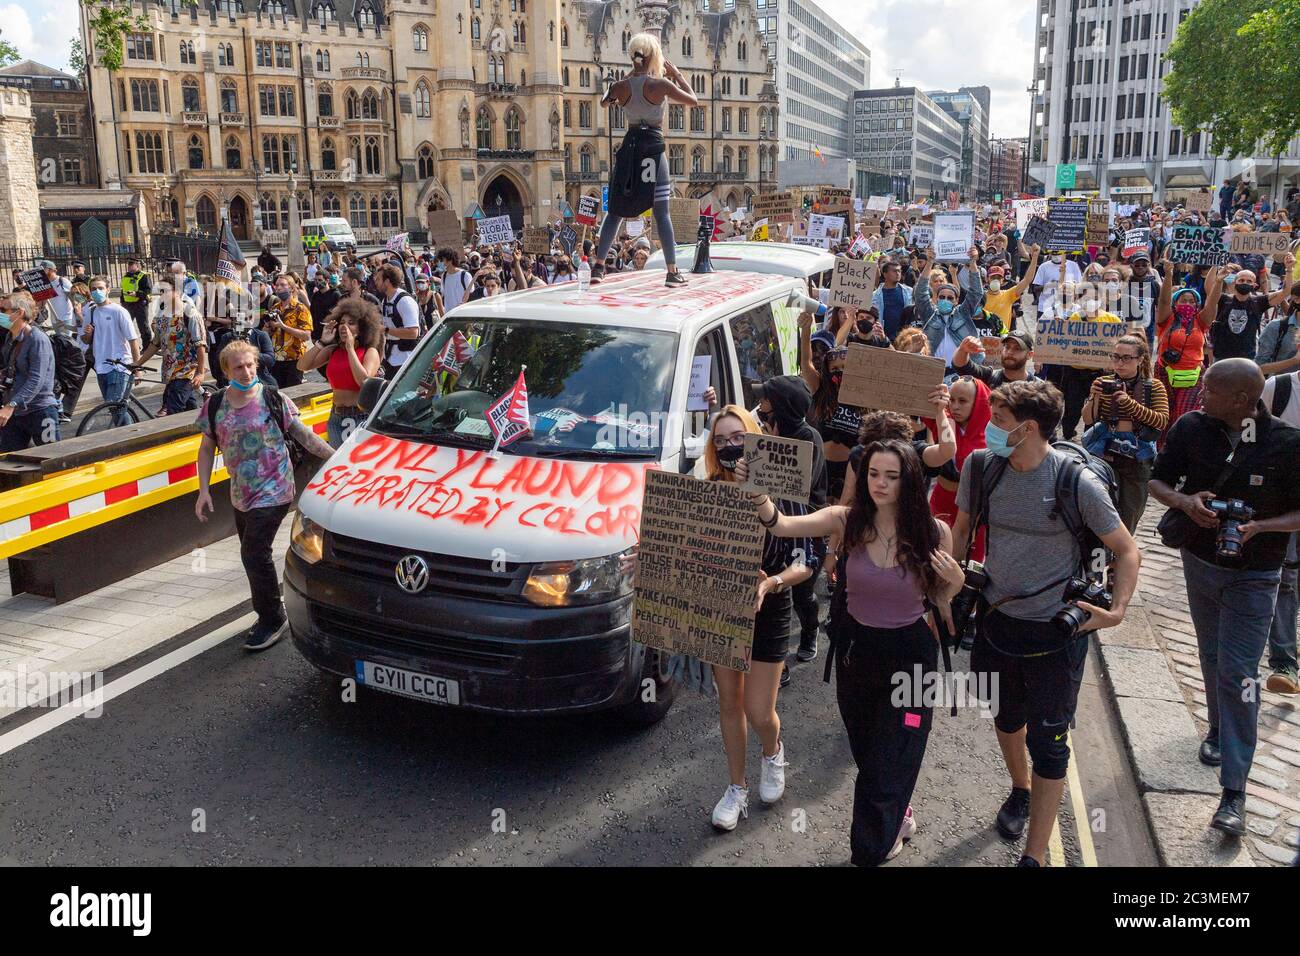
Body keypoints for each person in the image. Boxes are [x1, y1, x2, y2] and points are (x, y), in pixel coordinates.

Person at [953, 380, 1139, 866]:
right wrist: (947, 591)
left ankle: (1034, 856)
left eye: (998, 420)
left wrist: (1115, 613)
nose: (989, 428)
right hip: (996, 621)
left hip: (1057, 634)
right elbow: (960, 529)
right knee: (1005, 717)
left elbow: (1127, 550)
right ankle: (1020, 788)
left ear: (1027, 428)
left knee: (1050, 744)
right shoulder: (981, 467)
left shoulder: (1075, 482)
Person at [753, 439, 966, 864]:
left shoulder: (932, 531)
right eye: (873, 474)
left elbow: (942, 603)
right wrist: (759, 495)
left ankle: (869, 849)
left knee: (894, 755)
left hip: (910, 661)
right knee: (869, 752)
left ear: (909, 479)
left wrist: (956, 582)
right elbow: (780, 525)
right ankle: (899, 814)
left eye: (891, 475)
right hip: (856, 654)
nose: (880, 484)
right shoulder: (845, 521)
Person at [1149, 359, 1300, 835]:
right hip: (1199, 564)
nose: (1200, 394)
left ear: (1242, 400)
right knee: (1211, 656)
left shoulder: (1287, 443)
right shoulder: (1192, 427)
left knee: (1240, 675)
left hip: (1257, 575)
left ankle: (1234, 792)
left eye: (1210, 389)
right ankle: (1216, 729)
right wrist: (1185, 503)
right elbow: (1159, 481)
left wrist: (1259, 527)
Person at [670, 406, 812, 831]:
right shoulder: (708, 488)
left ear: (754, 438)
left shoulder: (779, 487)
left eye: (738, 437)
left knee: (758, 710)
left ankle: (773, 751)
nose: (730, 446)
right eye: (721, 440)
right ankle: (737, 787)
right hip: (722, 606)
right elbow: (688, 548)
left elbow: (805, 562)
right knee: (729, 704)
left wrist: (771, 583)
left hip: (770, 606)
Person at [196, 340, 334, 650]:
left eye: (250, 365)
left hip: (275, 488)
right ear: (226, 371)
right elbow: (206, 448)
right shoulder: (216, 405)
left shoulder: (273, 398)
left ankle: (272, 618)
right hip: (240, 493)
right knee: (252, 554)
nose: (245, 372)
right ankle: (268, 609)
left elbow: (303, 434)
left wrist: (338, 458)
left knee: (253, 553)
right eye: (238, 367)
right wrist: (203, 490)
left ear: (257, 365)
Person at [591, 32, 696, 288]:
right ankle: (672, 272)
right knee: (661, 212)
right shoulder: (659, 84)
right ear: (652, 56)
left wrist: (628, 77)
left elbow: (605, 103)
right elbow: (693, 99)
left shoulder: (621, 86)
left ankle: (598, 266)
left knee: (616, 209)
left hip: (630, 146)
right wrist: (678, 75)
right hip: (652, 147)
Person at [752, 375, 827, 664]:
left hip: (805, 525)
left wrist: (769, 445)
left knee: (801, 590)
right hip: (771, 523)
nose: (761, 404)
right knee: (772, 587)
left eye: (766, 399)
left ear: (780, 405)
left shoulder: (809, 437)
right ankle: (776, 662)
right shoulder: (768, 427)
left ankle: (811, 629)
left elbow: (794, 486)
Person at [1081, 334, 1169, 532]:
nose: (1120, 363)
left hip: (1137, 455)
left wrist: (1129, 404)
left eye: (1126, 358)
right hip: (1105, 452)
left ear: (1140, 360)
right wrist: (1093, 396)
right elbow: (1088, 419)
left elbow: (1161, 420)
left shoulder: (1153, 386)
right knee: (1099, 508)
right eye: (1116, 357)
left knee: (1130, 512)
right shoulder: (1104, 382)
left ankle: (1121, 555)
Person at [1259, 368, 1300, 696]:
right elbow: (1252, 438)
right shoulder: (1280, 388)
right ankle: (1284, 662)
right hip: (1287, 505)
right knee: (1285, 580)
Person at [298, 297, 384, 446]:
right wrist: (322, 342)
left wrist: (351, 349)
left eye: (351, 323)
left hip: (361, 416)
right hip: (336, 417)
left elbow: (364, 382)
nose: (344, 327)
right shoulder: (332, 351)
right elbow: (302, 365)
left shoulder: (370, 352)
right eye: (342, 323)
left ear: (363, 328)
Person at [1154, 254, 1214, 439]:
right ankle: (1162, 452)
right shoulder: (1167, 319)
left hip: (1193, 375)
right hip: (1165, 372)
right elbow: (1163, 301)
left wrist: (1218, 283)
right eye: (1183, 300)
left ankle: (1182, 452)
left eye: (1192, 301)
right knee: (1164, 415)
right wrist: (1169, 273)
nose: (1188, 304)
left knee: (1185, 416)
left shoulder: (1201, 321)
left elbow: (1213, 303)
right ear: (1175, 304)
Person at [136, 277, 207, 416]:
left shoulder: (190, 313)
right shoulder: (162, 316)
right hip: (170, 372)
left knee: (173, 413)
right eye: (160, 292)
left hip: (186, 372)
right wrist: (138, 363)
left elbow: (200, 345)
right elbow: (155, 344)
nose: (162, 295)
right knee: (189, 410)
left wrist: (200, 372)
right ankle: (200, 430)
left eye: (165, 291)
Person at [0, 291, 61, 451]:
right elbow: (11, 370)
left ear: (19, 312)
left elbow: (36, 379)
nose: (0, 314)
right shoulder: (10, 337)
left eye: (2, 310)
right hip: (15, 412)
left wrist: (11, 404)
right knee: (8, 462)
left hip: (41, 411)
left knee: (52, 461)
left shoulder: (37, 339)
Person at [81, 275, 143, 426]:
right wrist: (88, 333)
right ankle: (129, 434)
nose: (97, 292)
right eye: (94, 289)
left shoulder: (119, 311)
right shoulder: (91, 312)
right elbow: (85, 340)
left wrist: (137, 367)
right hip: (101, 366)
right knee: (116, 408)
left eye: (100, 288)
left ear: (108, 290)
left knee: (115, 407)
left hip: (119, 365)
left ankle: (128, 437)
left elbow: (133, 340)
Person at [1207, 257, 1294, 362]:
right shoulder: (1224, 299)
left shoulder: (1259, 302)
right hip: (1221, 356)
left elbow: (1286, 291)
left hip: (1247, 358)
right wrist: (1216, 270)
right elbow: (1209, 289)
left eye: (1249, 281)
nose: (1245, 283)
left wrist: (1289, 269)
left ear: (1254, 285)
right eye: (1241, 280)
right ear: (1235, 283)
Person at [915, 247, 985, 365]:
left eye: (950, 298)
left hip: (961, 372)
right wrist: (930, 263)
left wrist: (972, 263)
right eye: (942, 297)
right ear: (936, 299)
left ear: (956, 301)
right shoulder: (930, 314)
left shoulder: (963, 313)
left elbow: (976, 292)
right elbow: (920, 293)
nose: (945, 300)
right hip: (934, 371)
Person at [373, 263, 422, 380]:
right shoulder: (386, 300)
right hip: (390, 358)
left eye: (379, 279)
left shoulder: (405, 301)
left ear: (387, 281)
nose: (376, 281)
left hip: (405, 359)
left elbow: (413, 333)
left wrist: (386, 330)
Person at [265, 274, 313, 388]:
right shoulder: (275, 308)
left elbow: (306, 335)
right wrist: (268, 328)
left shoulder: (300, 308)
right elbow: (271, 332)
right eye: (276, 285)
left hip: (294, 359)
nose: (279, 288)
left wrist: (283, 326)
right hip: (276, 358)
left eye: (282, 285)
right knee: (278, 392)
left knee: (293, 392)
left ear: (291, 288)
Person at [982, 243, 1041, 335]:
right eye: (993, 278)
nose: (996, 280)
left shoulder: (1008, 294)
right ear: (987, 279)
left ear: (1002, 280)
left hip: (1002, 337)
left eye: (998, 278)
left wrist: (1034, 258)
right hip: (986, 338)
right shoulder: (981, 296)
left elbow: (1027, 279)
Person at [950, 330, 1040, 388]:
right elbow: (961, 366)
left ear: (1029, 355)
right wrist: (963, 350)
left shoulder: (1039, 388)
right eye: (1007, 347)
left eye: (1017, 348)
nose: (1009, 352)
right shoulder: (989, 376)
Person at [1121, 253, 1162, 348]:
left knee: (1146, 361)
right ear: (1131, 265)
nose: (1140, 267)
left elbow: (1159, 308)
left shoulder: (1154, 285)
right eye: (1137, 265)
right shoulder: (1125, 283)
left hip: (1148, 333)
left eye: (1144, 264)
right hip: (1127, 331)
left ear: (1148, 266)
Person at [870, 259, 914, 340]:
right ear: (885, 274)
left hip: (904, 338)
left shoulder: (910, 292)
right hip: (882, 338)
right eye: (894, 271)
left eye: (899, 271)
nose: (897, 273)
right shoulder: (874, 296)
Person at [120, 256, 153, 351]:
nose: (129, 266)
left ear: (137, 265)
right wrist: (122, 302)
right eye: (128, 264)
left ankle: (147, 348)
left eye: (131, 264)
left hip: (140, 304)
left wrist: (137, 294)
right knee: (126, 326)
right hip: (127, 305)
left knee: (143, 326)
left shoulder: (143, 276)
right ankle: (131, 347)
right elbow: (123, 290)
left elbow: (148, 291)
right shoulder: (126, 276)